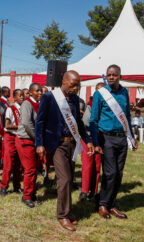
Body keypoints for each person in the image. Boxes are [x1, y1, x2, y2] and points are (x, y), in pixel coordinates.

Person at [36, 71, 93, 231]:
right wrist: (39, 143)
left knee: (69, 180)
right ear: (64, 81)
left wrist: (87, 140)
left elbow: (78, 124)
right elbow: (40, 121)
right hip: (57, 145)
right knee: (65, 179)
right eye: (73, 84)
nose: (76, 88)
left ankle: (67, 212)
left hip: (72, 144)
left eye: (78, 85)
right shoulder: (49, 97)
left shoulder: (75, 99)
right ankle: (62, 215)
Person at [89, 64, 138, 220]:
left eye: (114, 75)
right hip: (106, 138)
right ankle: (103, 204)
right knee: (111, 173)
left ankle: (112, 204)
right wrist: (96, 143)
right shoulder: (100, 94)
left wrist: (131, 137)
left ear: (120, 76)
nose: (111, 77)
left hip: (121, 138)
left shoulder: (124, 92)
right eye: (109, 74)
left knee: (119, 174)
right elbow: (93, 120)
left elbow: (127, 117)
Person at [16, 83, 42, 208]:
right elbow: (26, 123)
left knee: (34, 169)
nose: (40, 93)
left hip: (34, 140)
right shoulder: (27, 103)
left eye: (41, 91)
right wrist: (37, 139)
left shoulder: (39, 103)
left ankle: (32, 193)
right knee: (30, 169)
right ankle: (26, 196)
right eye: (37, 91)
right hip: (26, 139)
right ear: (30, 92)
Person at [80, 82, 105, 201]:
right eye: (97, 90)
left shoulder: (108, 106)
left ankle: (94, 191)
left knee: (96, 166)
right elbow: (86, 123)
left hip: (101, 140)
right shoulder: (90, 105)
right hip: (88, 139)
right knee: (87, 165)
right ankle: (84, 191)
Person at [0, 89, 24, 196]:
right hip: (10, 137)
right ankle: (4, 186)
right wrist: (21, 127)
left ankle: (17, 186)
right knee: (8, 164)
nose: (22, 97)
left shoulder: (24, 109)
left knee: (18, 164)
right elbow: (7, 125)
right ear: (14, 98)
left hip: (20, 137)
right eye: (20, 96)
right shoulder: (11, 109)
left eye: (23, 95)